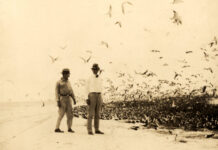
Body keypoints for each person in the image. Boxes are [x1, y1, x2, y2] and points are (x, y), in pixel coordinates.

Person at [54, 68, 76, 133]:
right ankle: (57, 128)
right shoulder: (58, 82)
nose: (69, 75)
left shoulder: (68, 81)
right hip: (62, 99)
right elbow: (56, 92)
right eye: (68, 74)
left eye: (69, 74)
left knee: (70, 115)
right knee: (61, 114)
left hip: (69, 99)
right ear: (64, 74)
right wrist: (58, 101)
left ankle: (69, 128)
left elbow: (71, 91)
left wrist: (74, 99)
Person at [86, 63, 104, 135]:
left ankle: (97, 129)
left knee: (98, 113)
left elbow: (101, 87)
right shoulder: (89, 78)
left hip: (99, 95)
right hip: (92, 95)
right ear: (92, 70)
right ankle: (89, 130)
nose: (95, 70)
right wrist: (86, 98)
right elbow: (86, 88)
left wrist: (101, 97)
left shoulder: (100, 78)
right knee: (90, 113)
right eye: (94, 69)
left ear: (98, 70)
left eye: (96, 69)